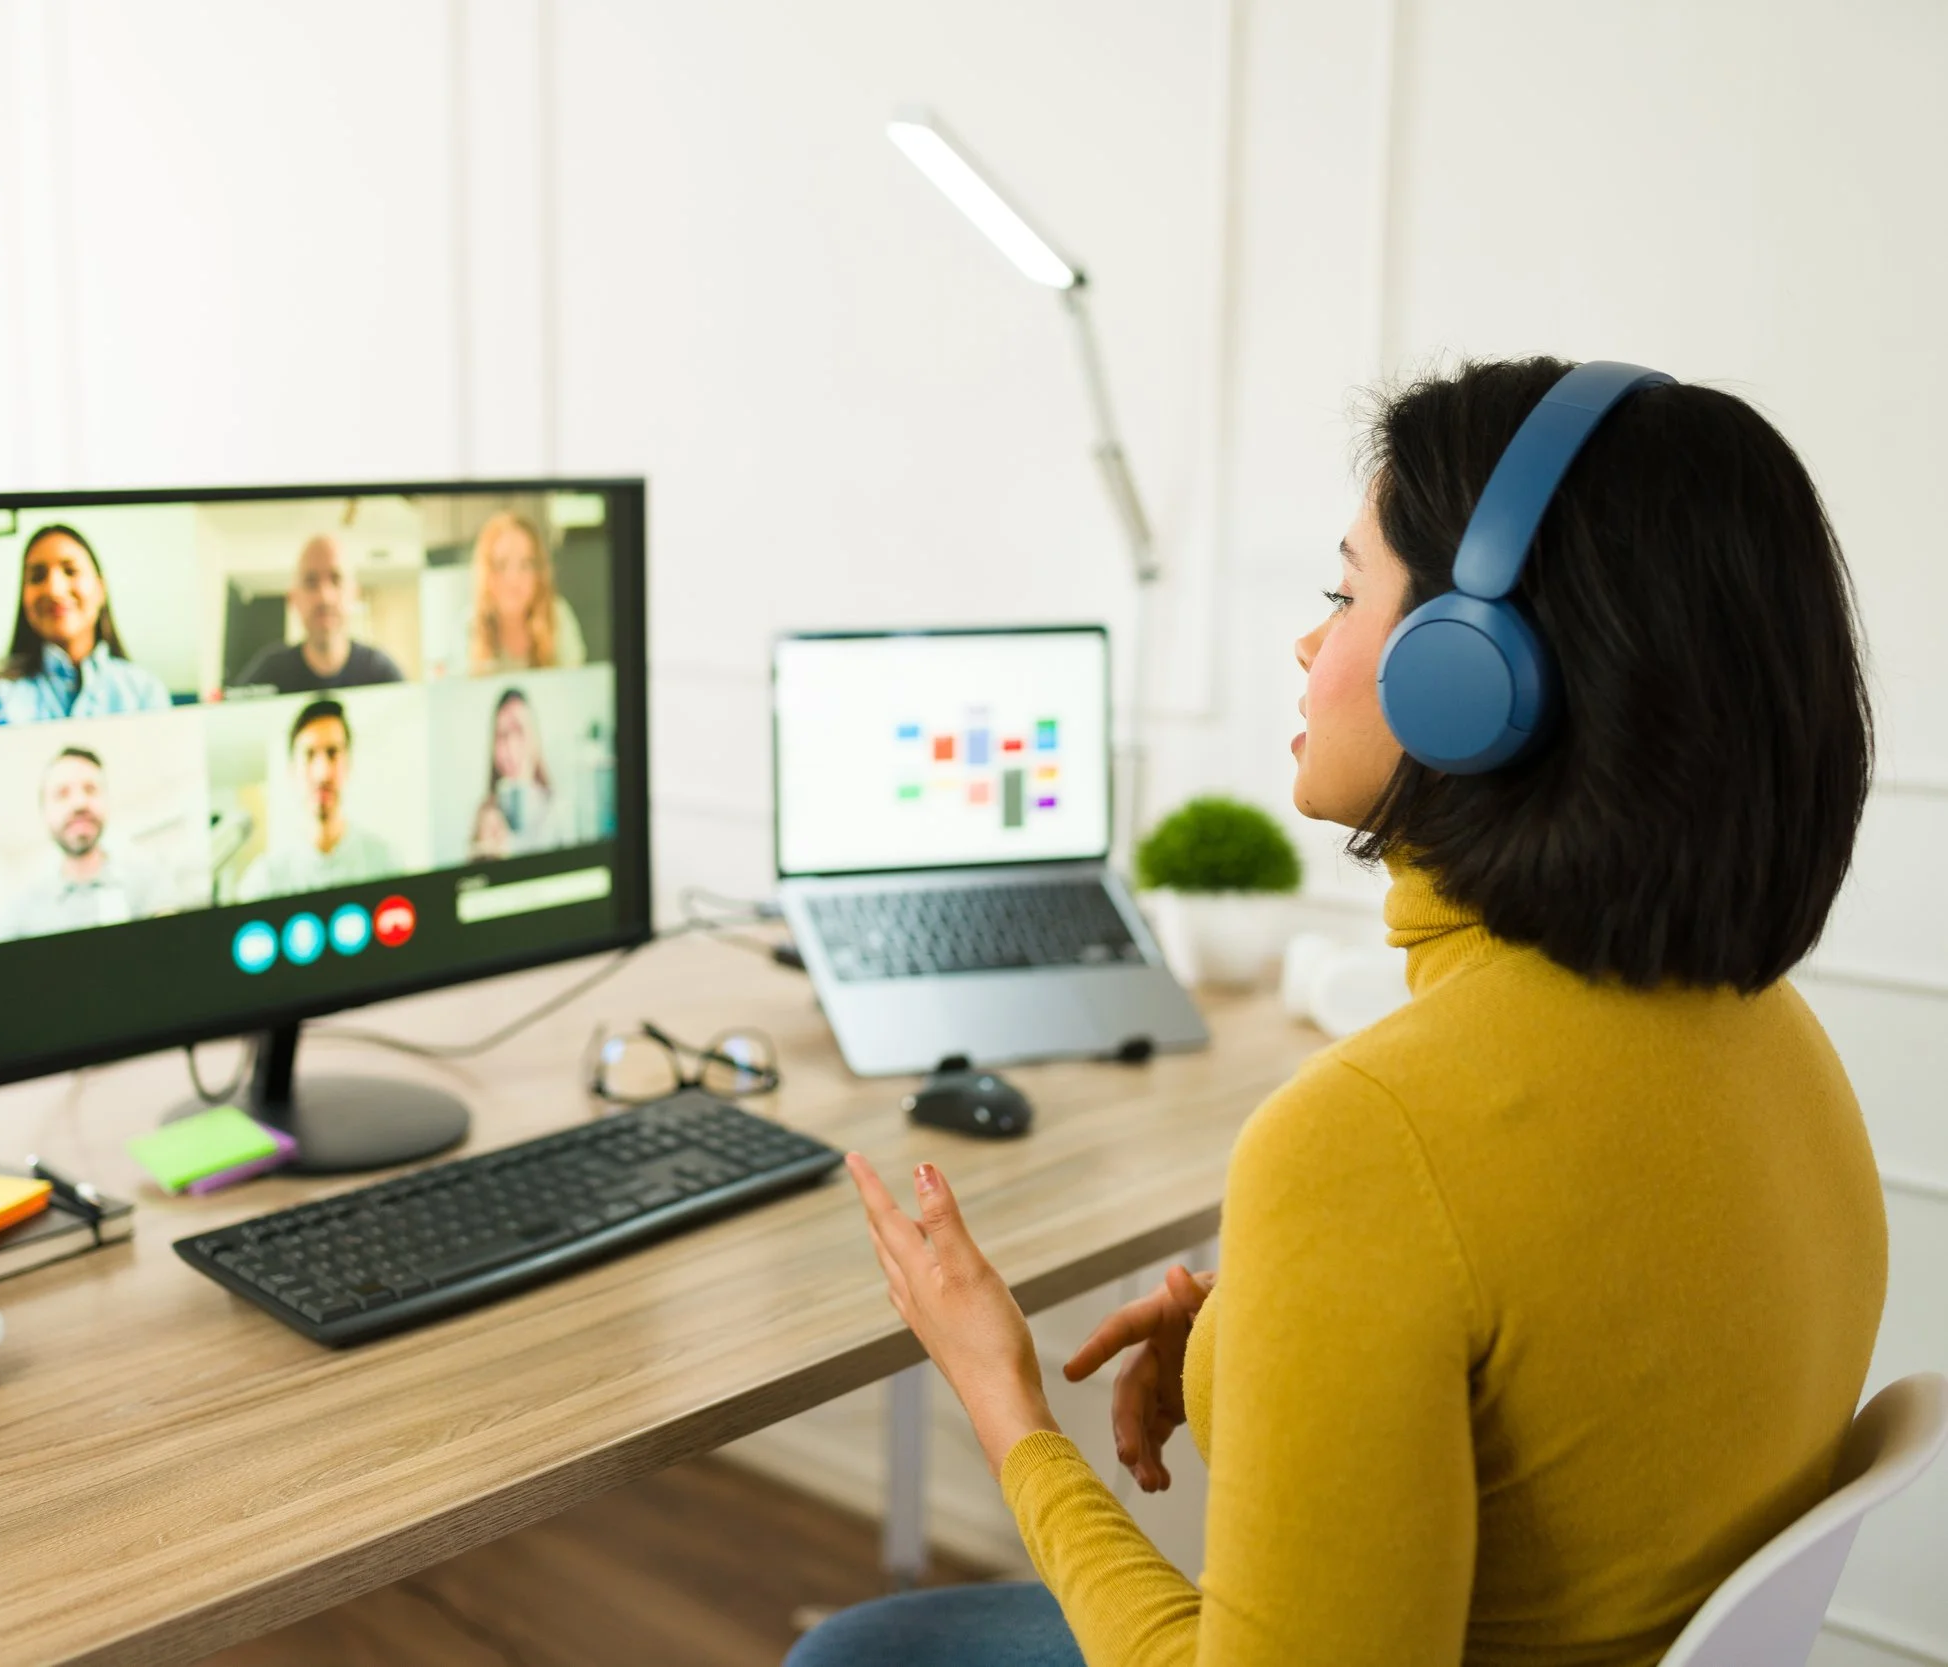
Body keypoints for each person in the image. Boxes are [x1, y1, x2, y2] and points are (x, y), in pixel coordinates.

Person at [793, 358, 1886, 1666]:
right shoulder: (1773, 1035)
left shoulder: (1364, 1139)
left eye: (1345, 591)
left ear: (1467, 677)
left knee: (857, 1652)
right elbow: (1572, 1366)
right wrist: (1256, 1340)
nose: (1311, 645)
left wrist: (1004, 1400)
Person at [0, 523, 172, 726]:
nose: (54, 590)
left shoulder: (145, 693)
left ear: (100, 589)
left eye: (71, 571)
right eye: (37, 577)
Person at [0, 746, 174, 941]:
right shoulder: (18, 912)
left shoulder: (150, 882)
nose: (79, 803)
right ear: (44, 813)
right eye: (62, 794)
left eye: (90, 789)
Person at [238, 698, 402, 898]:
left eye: (332, 753)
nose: (322, 773)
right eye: (309, 755)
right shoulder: (264, 881)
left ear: (348, 765)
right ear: (292, 771)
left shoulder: (387, 864)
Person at [234, 533, 405, 692]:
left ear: (354, 594)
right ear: (293, 598)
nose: (324, 597)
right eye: (311, 582)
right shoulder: (268, 672)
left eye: (336, 579)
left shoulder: (381, 673)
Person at [466, 511, 585, 674]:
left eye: (525, 564)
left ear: (539, 573)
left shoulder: (558, 616)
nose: (514, 578)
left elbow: (577, 687)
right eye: (501, 565)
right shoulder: (467, 627)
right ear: (487, 573)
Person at [467, 688, 565, 860]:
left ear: (535, 739)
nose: (511, 748)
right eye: (502, 735)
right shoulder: (483, 816)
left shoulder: (559, 811)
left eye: (519, 731)